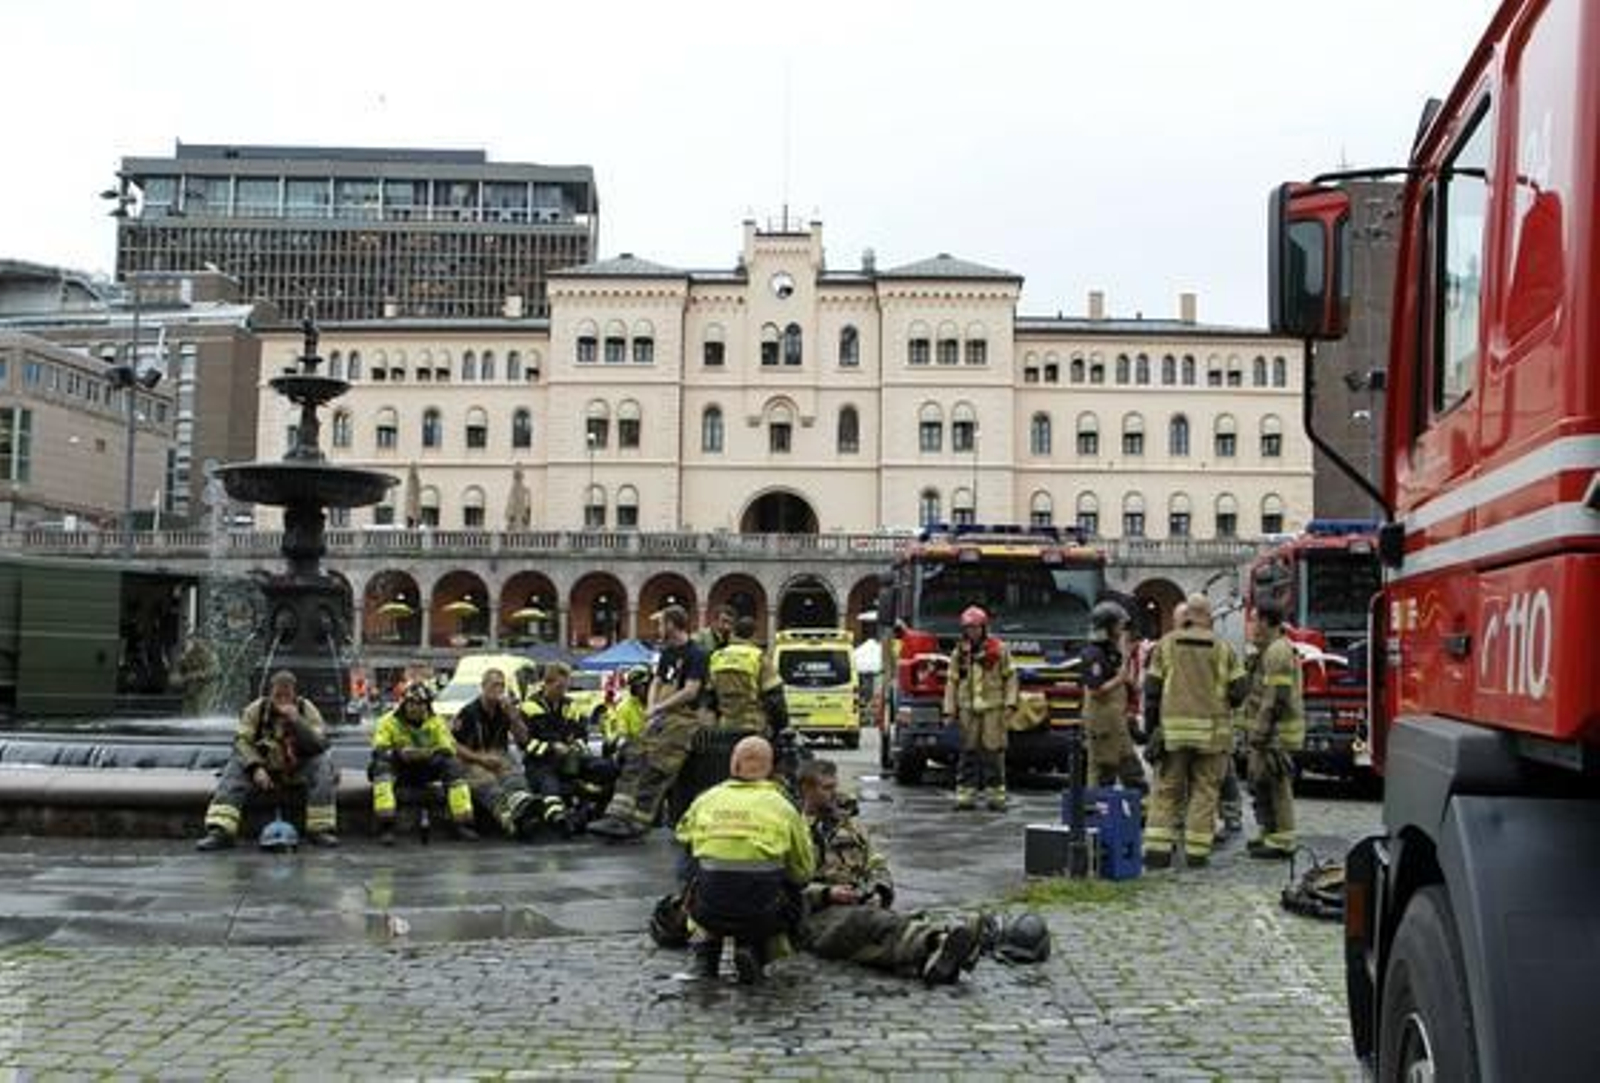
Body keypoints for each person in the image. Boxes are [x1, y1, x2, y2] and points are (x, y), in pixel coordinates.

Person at [796, 759, 986, 986]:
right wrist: (827, 893)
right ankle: (940, 941)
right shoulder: (793, 828)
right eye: (826, 788)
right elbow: (785, 887)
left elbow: (876, 863)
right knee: (871, 922)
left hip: (859, 907)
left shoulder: (849, 827)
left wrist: (879, 890)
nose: (833, 793)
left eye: (834, 786)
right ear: (806, 789)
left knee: (878, 939)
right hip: (818, 918)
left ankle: (934, 955)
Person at [675, 736, 815, 983]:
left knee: (691, 861)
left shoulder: (706, 800)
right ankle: (757, 952)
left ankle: (705, 953)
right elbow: (803, 871)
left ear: (733, 765)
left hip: (708, 911)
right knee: (795, 891)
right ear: (770, 768)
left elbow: (682, 834)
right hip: (764, 913)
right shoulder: (783, 806)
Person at [1141, 594, 1248, 869]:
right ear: (1209, 617)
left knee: (1166, 791)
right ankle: (1197, 852)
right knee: (1205, 791)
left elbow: (1151, 691)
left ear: (1187, 615)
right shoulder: (1223, 648)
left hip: (1173, 733)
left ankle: (1157, 851)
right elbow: (1239, 691)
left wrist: (1152, 730)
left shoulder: (1165, 645)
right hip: (1212, 735)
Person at [589, 605, 710, 839]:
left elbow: (691, 691)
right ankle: (616, 817)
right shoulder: (667, 653)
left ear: (672, 625)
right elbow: (656, 681)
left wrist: (659, 707)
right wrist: (652, 709)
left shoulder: (697, 655)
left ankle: (638, 822)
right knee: (635, 755)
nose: (658, 628)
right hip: (661, 717)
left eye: (661, 623)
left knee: (658, 767)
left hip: (683, 720)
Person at [196, 670, 338, 851]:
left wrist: (297, 722)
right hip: (264, 769)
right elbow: (242, 742)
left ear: (295, 694)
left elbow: (319, 744)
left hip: (296, 769)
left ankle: (320, 829)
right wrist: (256, 768)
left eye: (287, 696)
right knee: (233, 768)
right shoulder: (255, 709)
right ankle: (221, 831)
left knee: (322, 764)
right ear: (270, 693)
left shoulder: (307, 709)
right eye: (278, 695)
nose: (282, 700)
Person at [370, 682, 479, 845]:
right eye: (411, 704)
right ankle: (386, 827)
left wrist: (428, 753)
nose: (416, 708)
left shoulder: (436, 722)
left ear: (428, 705)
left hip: (426, 768)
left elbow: (447, 748)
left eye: (421, 704)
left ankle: (462, 823)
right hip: (399, 769)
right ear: (404, 704)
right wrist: (399, 753)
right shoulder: (388, 721)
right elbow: (379, 749)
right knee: (381, 766)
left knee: (453, 765)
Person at [516, 662, 616, 834]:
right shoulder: (528, 708)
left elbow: (581, 734)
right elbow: (525, 744)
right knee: (550, 785)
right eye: (560, 686)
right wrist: (552, 747)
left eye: (566, 686)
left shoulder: (570, 706)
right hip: (540, 763)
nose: (563, 690)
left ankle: (602, 812)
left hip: (569, 759)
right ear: (547, 683)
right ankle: (558, 820)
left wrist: (575, 747)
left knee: (607, 767)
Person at [1245, 601, 1305, 859]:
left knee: (1277, 784)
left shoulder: (1279, 651)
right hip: (1265, 731)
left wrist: (1262, 731)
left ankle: (1283, 839)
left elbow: (1276, 698)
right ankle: (1269, 831)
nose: (1251, 625)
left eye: (1254, 619)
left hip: (1275, 733)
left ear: (1267, 622)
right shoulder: (1267, 650)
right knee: (1261, 782)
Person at [942, 606, 1017, 811]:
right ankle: (966, 795)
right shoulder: (960, 652)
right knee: (968, 753)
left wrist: (1010, 703)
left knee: (993, 753)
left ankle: (996, 796)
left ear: (984, 628)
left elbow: (1010, 677)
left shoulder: (998, 649)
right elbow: (952, 681)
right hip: (968, 710)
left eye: (976, 628)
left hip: (993, 710)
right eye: (968, 628)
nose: (972, 632)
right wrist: (949, 710)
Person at [1080, 601, 1147, 794]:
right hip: (1102, 725)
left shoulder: (1111, 652)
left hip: (1116, 723)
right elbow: (1095, 690)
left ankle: (1139, 808)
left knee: (1131, 769)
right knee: (1103, 771)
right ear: (1107, 627)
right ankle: (1096, 811)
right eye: (1118, 625)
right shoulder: (1093, 654)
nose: (1121, 629)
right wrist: (1120, 678)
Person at [451, 667, 527, 819]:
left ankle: (524, 811)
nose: (498, 689)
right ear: (483, 686)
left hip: (499, 757)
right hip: (473, 759)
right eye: (494, 685)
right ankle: (505, 816)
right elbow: (454, 745)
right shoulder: (469, 712)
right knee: (489, 785)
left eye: (501, 685)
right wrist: (481, 759)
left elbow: (523, 739)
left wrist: (514, 717)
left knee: (517, 783)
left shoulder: (506, 710)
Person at [706, 614, 787, 736]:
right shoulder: (758, 657)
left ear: (735, 632)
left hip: (725, 727)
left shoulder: (717, 656)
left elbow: (709, 697)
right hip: (753, 726)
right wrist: (781, 725)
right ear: (754, 634)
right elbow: (774, 698)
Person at [602, 665, 652, 755]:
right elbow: (622, 736)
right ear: (633, 689)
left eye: (647, 685)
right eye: (639, 686)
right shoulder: (625, 708)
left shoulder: (661, 704)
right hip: (636, 752)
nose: (646, 689)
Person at [172, 635, 220, 717]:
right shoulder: (184, 656)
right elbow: (177, 674)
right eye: (185, 644)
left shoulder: (206, 654)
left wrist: (195, 675)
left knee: (200, 710)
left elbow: (213, 672)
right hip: (191, 688)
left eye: (188, 643)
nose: (186, 645)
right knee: (187, 711)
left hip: (206, 687)